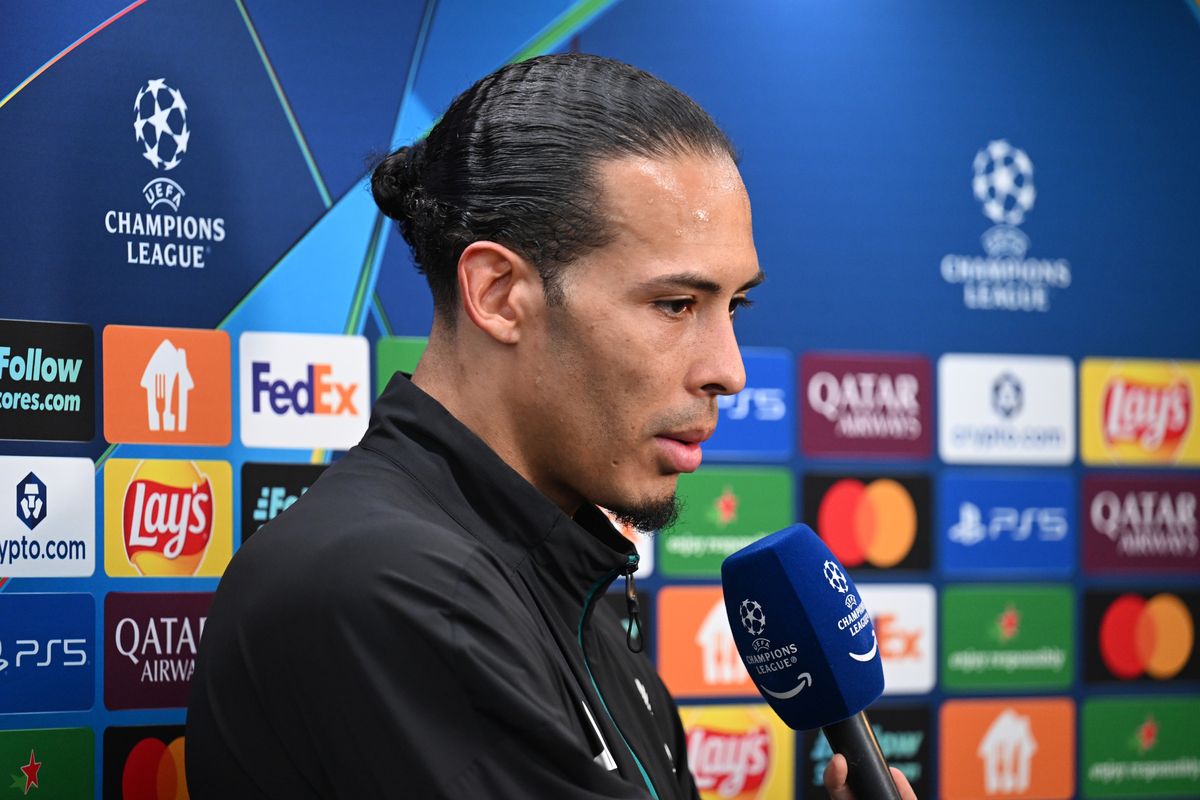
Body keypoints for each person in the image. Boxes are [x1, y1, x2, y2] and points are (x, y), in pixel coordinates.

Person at [186, 53, 916, 800]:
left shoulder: (568, 589)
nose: (729, 370)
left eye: (735, 306)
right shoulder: (390, 591)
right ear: (499, 294)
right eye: (676, 305)